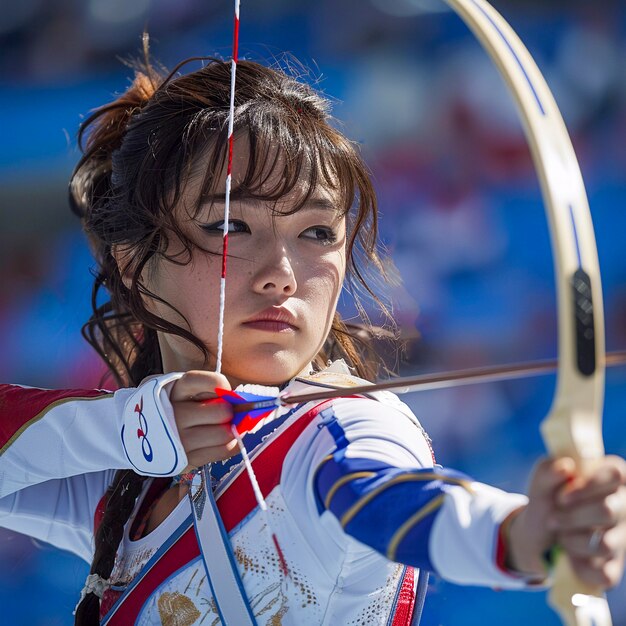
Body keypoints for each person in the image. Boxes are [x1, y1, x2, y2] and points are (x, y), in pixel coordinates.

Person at [1, 53, 625, 626]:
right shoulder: (129, 482)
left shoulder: (337, 435)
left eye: (317, 233)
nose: (282, 273)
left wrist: (522, 533)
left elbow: (391, 499)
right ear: (134, 261)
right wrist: (125, 428)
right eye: (230, 225)